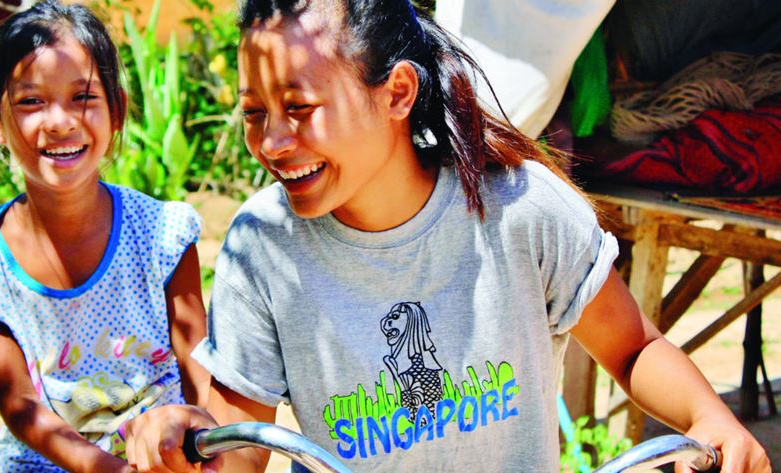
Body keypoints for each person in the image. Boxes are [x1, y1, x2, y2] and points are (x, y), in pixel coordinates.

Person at [126, 0, 771, 472]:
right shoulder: (262, 249)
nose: (271, 142)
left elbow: (632, 348)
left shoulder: (521, 209)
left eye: (299, 108)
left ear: (397, 93)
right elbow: (239, 451)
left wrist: (708, 417)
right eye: (254, 114)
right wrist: (183, 439)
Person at [0, 2, 209, 472]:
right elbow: (22, 408)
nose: (60, 121)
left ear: (116, 110)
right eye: (31, 102)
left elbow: (199, 367)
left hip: (163, 461)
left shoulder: (162, 236)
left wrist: (204, 441)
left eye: (82, 97)